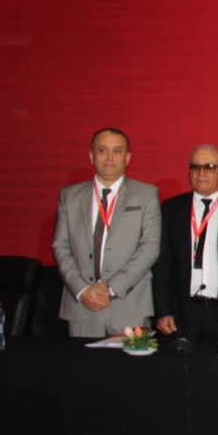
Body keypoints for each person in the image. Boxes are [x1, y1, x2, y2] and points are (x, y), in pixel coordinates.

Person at [52, 128, 161, 337]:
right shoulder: (70, 196)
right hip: (82, 306)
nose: (110, 158)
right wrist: (83, 290)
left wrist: (110, 289)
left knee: (129, 361)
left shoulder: (147, 195)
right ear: (91, 156)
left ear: (127, 158)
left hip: (129, 306)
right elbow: (60, 247)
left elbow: (150, 248)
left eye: (117, 151)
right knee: (82, 360)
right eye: (102, 150)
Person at [152, 144, 218, 343]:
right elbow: (162, 263)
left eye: (209, 167)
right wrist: (163, 310)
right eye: (195, 167)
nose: (201, 173)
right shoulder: (172, 208)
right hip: (182, 310)